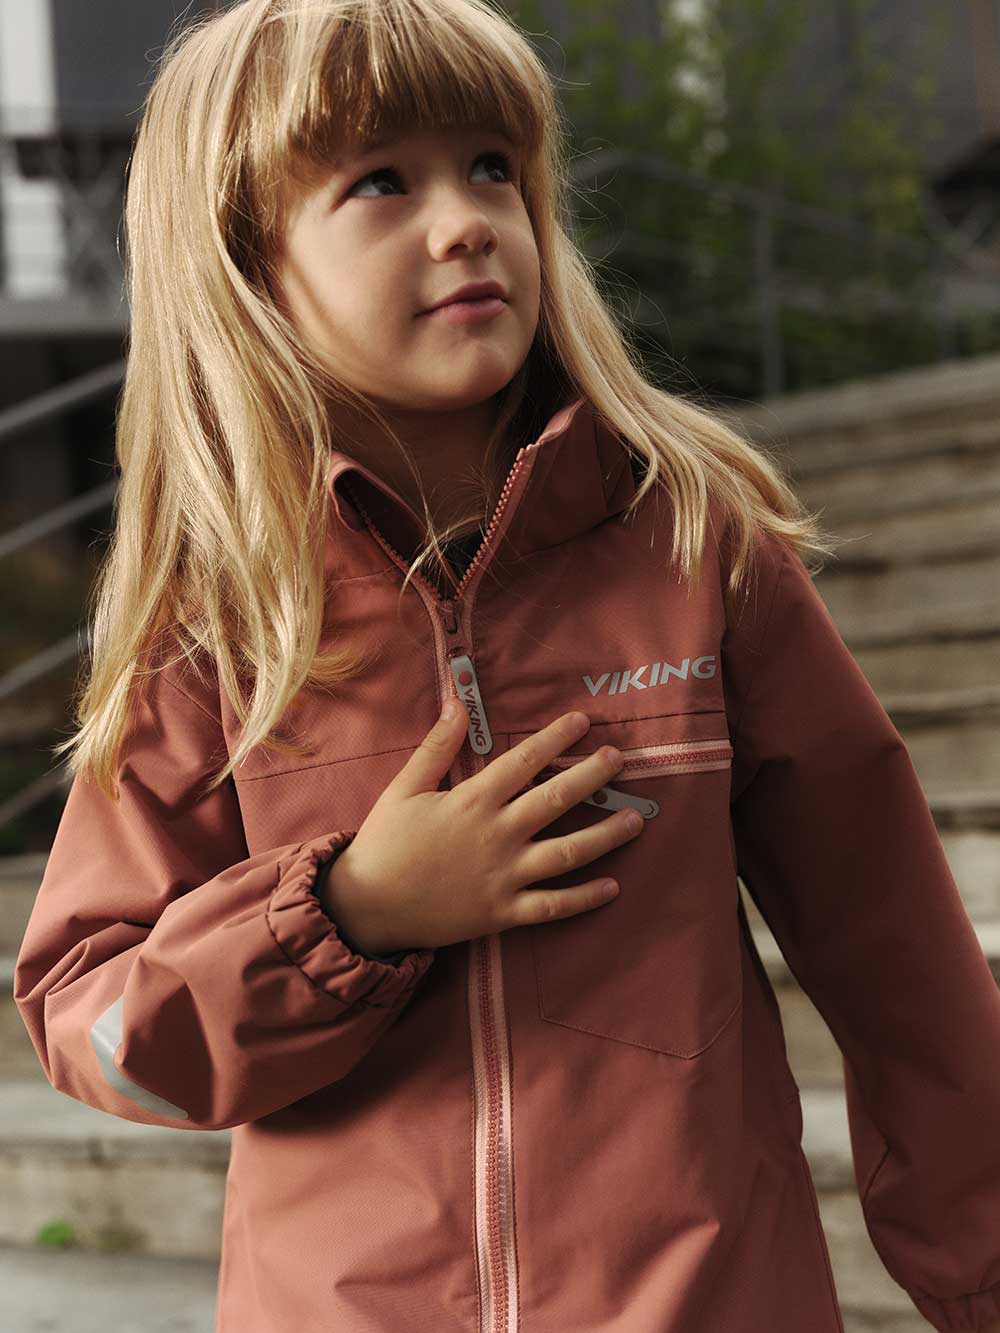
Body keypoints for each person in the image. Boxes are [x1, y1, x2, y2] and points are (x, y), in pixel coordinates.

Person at [13, 1, 1000, 1330]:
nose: (469, 216)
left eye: (493, 166)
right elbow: (92, 1019)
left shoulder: (695, 545)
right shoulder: (223, 624)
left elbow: (902, 960)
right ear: (248, 262)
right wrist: (347, 914)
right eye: (380, 181)